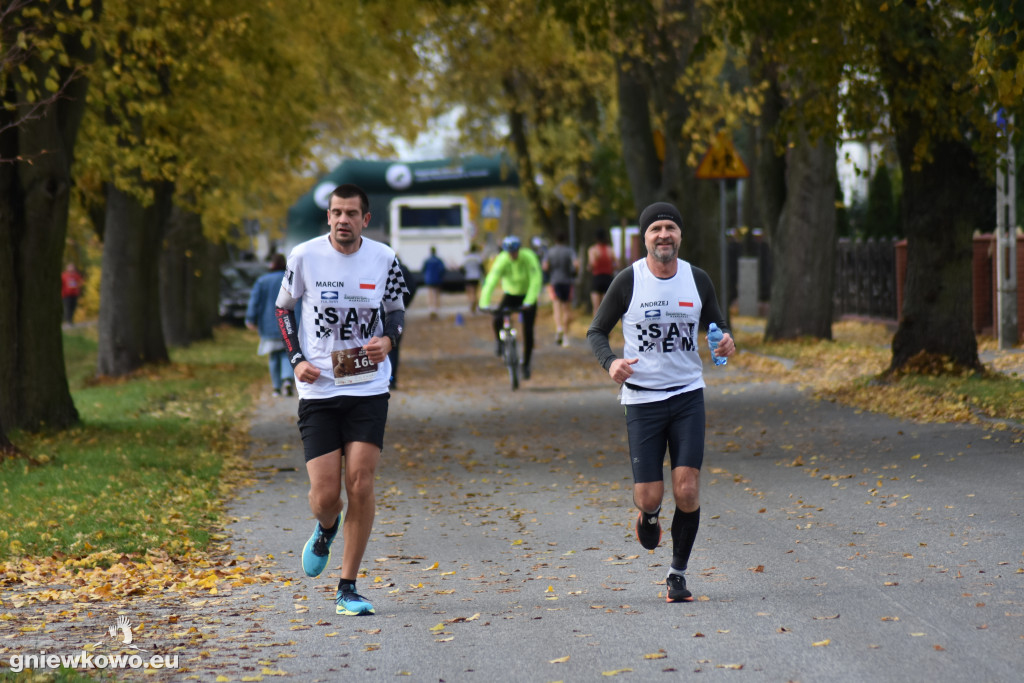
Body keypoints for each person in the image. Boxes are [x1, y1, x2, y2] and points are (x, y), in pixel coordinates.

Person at [586, 201, 735, 604]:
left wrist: (725, 341)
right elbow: (596, 331)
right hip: (642, 400)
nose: (663, 235)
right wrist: (611, 361)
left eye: (670, 227)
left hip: (687, 396)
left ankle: (677, 574)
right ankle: (648, 516)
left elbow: (718, 327)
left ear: (680, 235)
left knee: (687, 489)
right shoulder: (628, 281)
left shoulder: (697, 279)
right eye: (656, 229)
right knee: (650, 496)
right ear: (645, 238)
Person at [275, 183, 409, 616]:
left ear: (365, 220)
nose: (343, 220)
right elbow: (283, 309)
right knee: (326, 494)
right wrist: (296, 359)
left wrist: (388, 340)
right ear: (328, 217)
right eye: (336, 213)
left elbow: (396, 312)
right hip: (319, 388)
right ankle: (326, 526)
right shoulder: (304, 256)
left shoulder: (385, 258)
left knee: (361, 482)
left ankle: (347, 586)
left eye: (352, 213)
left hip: (367, 386)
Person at [478, 235, 543, 380]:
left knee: (528, 331)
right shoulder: (502, 260)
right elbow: (491, 281)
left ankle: (526, 364)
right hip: (511, 295)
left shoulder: (529, 257)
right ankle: (499, 342)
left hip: (527, 295)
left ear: (519, 250)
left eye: (514, 252)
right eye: (509, 252)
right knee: (497, 319)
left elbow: (536, 279)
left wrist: (529, 301)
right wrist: (484, 302)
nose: (512, 255)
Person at [246, 254, 297, 396]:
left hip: (269, 323)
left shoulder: (262, 281)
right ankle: (287, 380)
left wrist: (251, 319)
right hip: (289, 323)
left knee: (273, 356)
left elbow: (254, 302)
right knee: (288, 353)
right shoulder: (291, 280)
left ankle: (276, 387)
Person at [542, 232, 578, 347]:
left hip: (554, 282)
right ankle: (566, 337)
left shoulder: (550, 252)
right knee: (566, 309)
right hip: (567, 282)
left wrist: (549, 273)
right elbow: (576, 264)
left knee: (556, 308)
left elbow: (545, 266)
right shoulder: (569, 251)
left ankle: (559, 328)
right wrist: (573, 273)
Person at [588, 228, 618, 313]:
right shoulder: (610, 249)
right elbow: (617, 264)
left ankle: (596, 326)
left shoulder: (593, 250)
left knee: (596, 307)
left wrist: (589, 267)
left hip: (597, 278)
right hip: (608, 278)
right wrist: (610, 268)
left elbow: (592, 264)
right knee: (606, 307)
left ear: (595, 238)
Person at [421, 246, 446, 319]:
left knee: (430, 294)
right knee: (437, 294)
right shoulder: (439, 260)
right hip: (437, 279)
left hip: (429, 279)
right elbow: (442, 269)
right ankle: (436, 309)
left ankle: (430, 309)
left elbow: (423, 269)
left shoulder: (427, 260)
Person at [462, 243, 484, 314]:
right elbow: (481, 267)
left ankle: (472, 303)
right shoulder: (478, 257)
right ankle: (476, 304)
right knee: (475, 292)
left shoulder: (466, 258)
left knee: (470, 292)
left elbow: (462, 268)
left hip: (468, 277)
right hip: (476, 276)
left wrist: (465, 274)